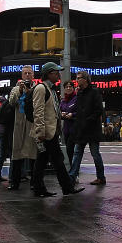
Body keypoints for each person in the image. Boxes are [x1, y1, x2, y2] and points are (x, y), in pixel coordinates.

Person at [29, 62, 83, 197]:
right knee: (56, 159)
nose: (59, 74)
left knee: (43, 160)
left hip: (51, 131)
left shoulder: (51, 89)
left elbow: (50, 110)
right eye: (56, 72)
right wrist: (40, 132)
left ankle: (40, 188)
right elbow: (38, 111)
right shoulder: (41, 88)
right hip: (46, 132)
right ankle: (66, 187)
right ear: (49, 74)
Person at [69, 71, 106, 185]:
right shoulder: (79, 93)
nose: (77, 80)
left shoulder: (94, 92)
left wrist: (87, 120)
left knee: (95, 154)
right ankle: (72, 176)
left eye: (79, 78)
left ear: (85, 80)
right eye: (77, 78)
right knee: (77, 153)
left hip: (92, 129)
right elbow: (78, 110)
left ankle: (101, 177)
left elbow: (99, 110)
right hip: (81, 130)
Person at [7, 66, 38, 190]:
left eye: (29, 73)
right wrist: (20, 91)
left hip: (32, 125)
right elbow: (11, 103)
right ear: (22, 75)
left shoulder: (37, 88)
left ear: (33, 75)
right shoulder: (15, 89)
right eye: (25, 73)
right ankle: (15, 182)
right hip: (19, 126)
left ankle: (34, 183)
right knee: (17, 155)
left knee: (33, 155)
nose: (27, 75)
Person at [0, 95, 13, 182]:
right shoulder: (9, 106)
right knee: (10, 153)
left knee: (1, 154)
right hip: (5, 131)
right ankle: (12, 176)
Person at [59, 79, 78, 165]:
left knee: (72, 150)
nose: (68, 88)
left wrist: (72, 115)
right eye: (66, 87)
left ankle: (74, 171)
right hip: (66, 129)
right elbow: (59, 112)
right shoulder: (63, 101)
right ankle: (72, 169)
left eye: (70, 86)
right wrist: (62, 114)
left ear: (73, 88)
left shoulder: (77, 98)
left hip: (75, 128)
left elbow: (81, 112)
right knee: (68, 150)